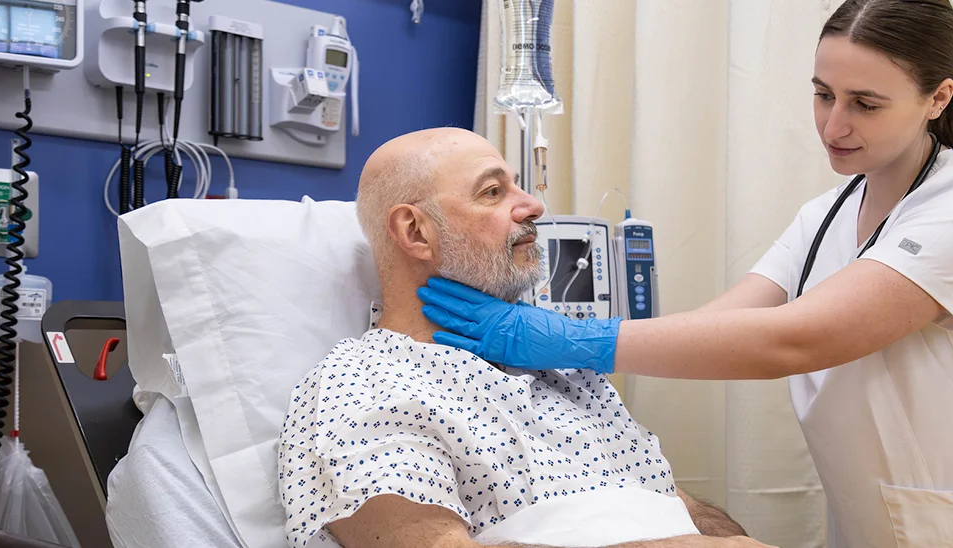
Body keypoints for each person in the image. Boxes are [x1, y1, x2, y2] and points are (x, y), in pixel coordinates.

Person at [416, 1, 953, 547]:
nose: (834, 124)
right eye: (821, 93)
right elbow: (728, 324)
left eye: (865, 103)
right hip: (880, 525)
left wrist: (578, 342)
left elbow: (796, 340)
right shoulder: (829, 212)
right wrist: (568, 366)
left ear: (937, 98)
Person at [277, 128, 773, 548]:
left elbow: (667, 505)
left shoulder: (558, 364)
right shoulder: (364, 383)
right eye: (493, 192)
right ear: (416, 232)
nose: (534, 205)